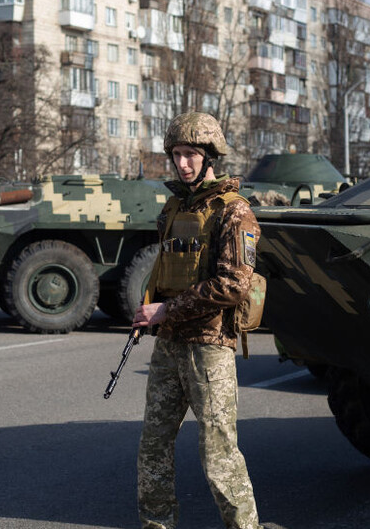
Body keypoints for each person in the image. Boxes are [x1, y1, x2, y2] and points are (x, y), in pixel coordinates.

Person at [133, 112, 264, 529]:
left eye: (191, 154)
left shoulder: (234, 211)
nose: (183, 163)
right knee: (153, 446)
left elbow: (234, 285)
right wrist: (150, 308)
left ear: (210, 156)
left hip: (209, 346)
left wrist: (167, 310)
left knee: (219, 452)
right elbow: (166, 266)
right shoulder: (174, 207)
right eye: (176, 154)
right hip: (169, 342)